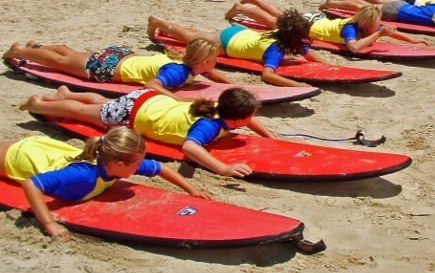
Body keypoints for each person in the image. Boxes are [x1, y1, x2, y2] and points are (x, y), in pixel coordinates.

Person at [0, 127, 212, 242]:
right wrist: (49, 223)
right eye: (138, 162)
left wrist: (192, 189)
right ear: (120, 164)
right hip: (20, 157)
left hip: (46, 150)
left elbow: (160, 168)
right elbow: (31, 184)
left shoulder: (114, 161)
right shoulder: (83, 176)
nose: (141, 166)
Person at [20, 86, 275, 178]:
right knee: (83, 113)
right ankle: (40, 104)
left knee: (103, 105)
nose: (254, 118)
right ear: (238, 118)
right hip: (132, 115)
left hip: (149, 102)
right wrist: (223, 168)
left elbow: (249, 118)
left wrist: (270, 139)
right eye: (251, 115)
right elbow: (189, 147)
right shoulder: (209, 125)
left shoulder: (224, 109)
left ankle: (67, 94)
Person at [3, 39, 232, 101]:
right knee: (59, 62)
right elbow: (153, 85)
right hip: (108, 67)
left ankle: (34, 46)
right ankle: (20, 53)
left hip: (119, 56)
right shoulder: (178, 72)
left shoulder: (190, 63)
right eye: (213, 60)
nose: (215, 63)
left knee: (69, 53)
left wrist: (229, 85)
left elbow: (210, 73)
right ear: (202, 61)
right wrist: (178, 100)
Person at [147, 12, 332, 88]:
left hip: (239, 33)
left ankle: (167, 26)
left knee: (199, 34)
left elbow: (310, 55)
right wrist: (298, 85)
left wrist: (330, 68)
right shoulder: (275, 49)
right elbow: (267, 75)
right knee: (190, 39)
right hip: (227, 44)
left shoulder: (282, 34)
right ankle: (157, 21)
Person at [224, 0, 430, 53]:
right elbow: (355, 48)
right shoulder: (350, 28)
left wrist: (411, 42)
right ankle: (243, 8)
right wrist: (378, 36)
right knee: (275, 21)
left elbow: (390, 31)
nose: (376, 27)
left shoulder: (363, 23)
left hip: (317, 19)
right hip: (310, 25)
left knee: (281, 15)